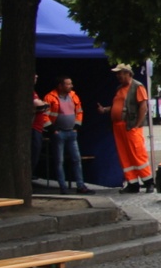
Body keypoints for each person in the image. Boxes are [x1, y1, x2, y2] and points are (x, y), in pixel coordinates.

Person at [98, 64, 155, 193]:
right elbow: (117, 106)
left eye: (120, 73)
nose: (118, 76)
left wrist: (137, 124)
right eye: (117, 73)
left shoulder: (137, 86)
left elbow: (143, 106)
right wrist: (105, 109)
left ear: (128, 73)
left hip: (130, 126)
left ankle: (148, 182)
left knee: (137, 153)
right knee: (124, 155)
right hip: (118, 126)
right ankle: (132, 183)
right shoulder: (119, 88)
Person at [43, 76, 95, 194]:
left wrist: (76, 127)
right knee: (59, 161)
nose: (71, 86)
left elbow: (79, 111)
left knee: (76, 159)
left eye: (71, 84)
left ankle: (80, 186)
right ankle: (63, 187)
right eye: (68, 84)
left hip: (71, 132)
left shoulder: (73, 96)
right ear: (60, 86)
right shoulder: (49, 97)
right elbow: (44, 115)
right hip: (59, 132)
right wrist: (52, 130)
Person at [31, 74, 50, 180]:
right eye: (34, 76)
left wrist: (43, 105)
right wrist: (43, 105)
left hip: (38, 128)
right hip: (33, 128)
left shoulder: (33, 92)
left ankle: (29, 174)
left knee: (36, 153)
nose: (37, 76)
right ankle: (28, 174)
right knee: (33, 153)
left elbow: (45, 106)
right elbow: (39, 105)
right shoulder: (28, 92)